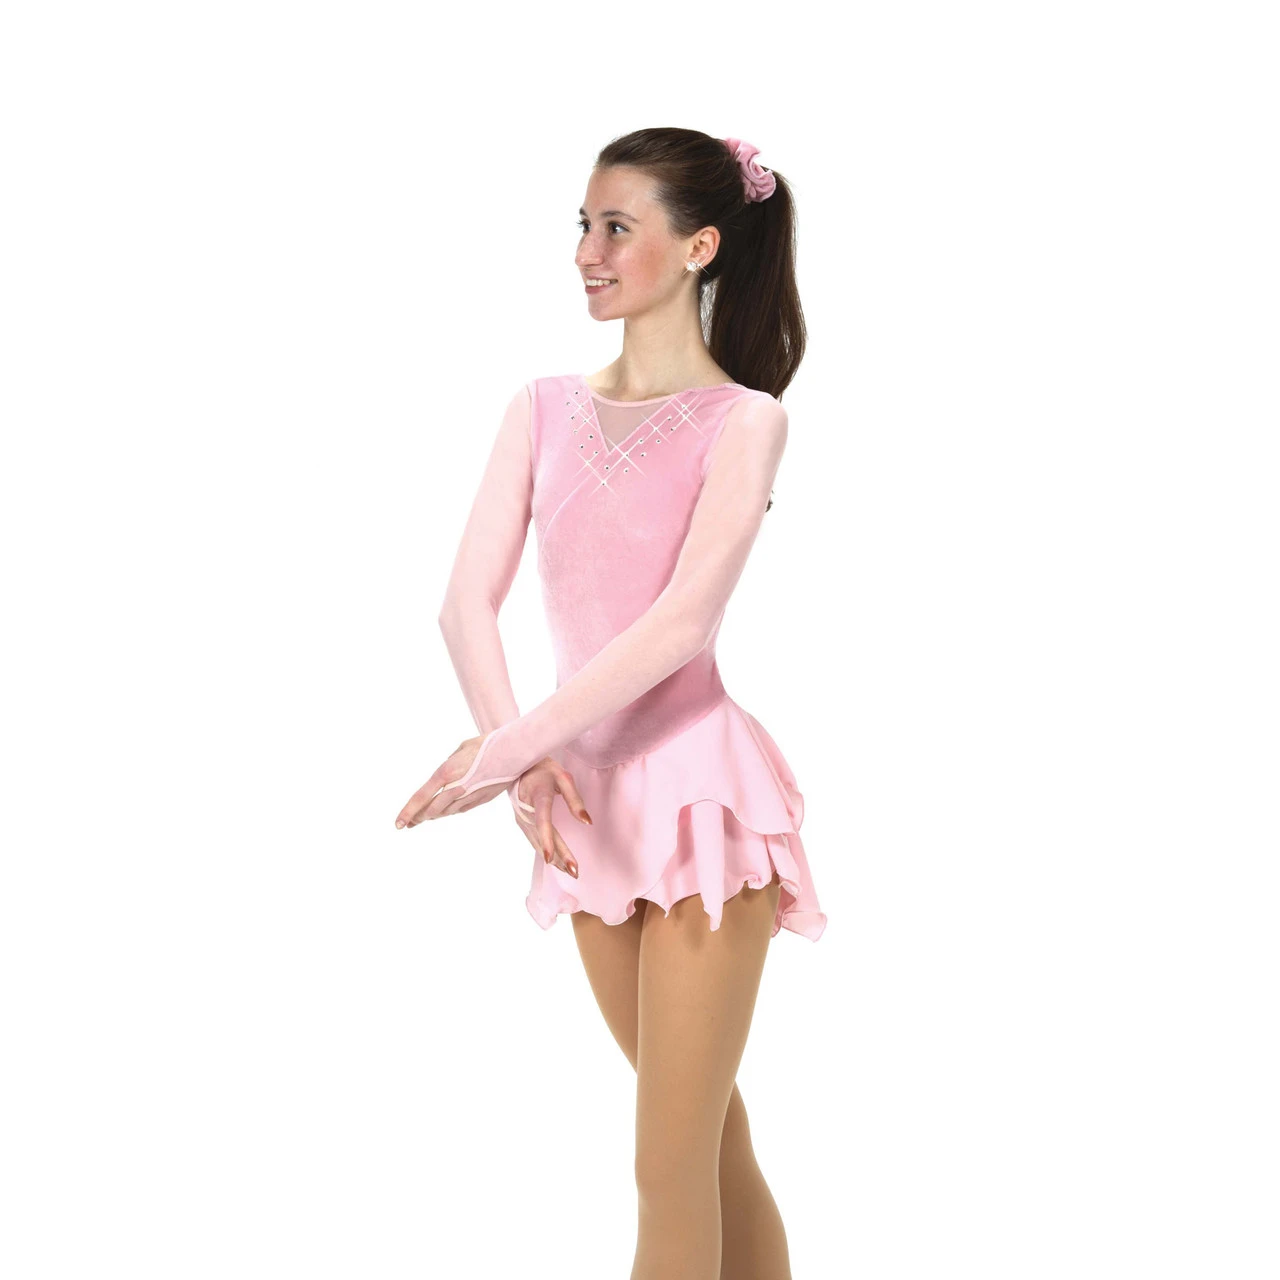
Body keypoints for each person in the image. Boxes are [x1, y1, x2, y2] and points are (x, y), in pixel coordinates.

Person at [396, 127, 827, 1278]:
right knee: (707, 1145)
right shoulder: (539, 406)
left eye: (615, 227)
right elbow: (462, 602)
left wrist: (503, 747)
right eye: (581, 226)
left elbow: (681, 624)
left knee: (664, 1162)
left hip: (699, 803)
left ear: (697, 247)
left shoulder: (745, 419)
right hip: (582, 810)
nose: (585, 250)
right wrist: (523, 761)